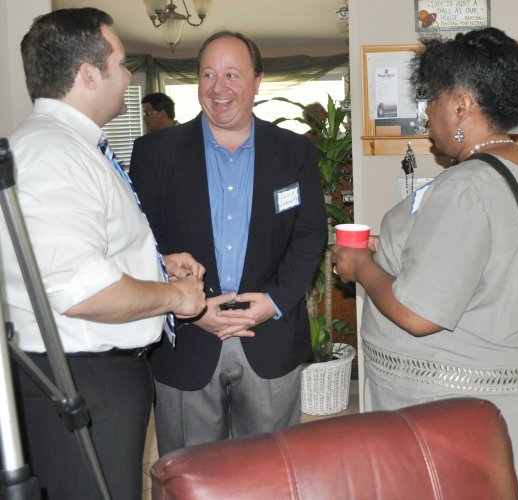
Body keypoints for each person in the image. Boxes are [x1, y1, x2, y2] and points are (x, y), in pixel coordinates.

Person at [331, 27, 518, 499]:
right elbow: (491, 259)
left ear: (460, 105)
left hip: (450, 409)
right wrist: (395, 248)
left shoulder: (466, 186)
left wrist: (361, 269)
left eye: (432, 98)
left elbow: (419, 315)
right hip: (506, 397)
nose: (426, 113)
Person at [1, 8, 207, 499]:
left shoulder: (72, 147)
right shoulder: (55, 155)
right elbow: (83, 291)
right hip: (81, 380)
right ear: (88, 75)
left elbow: (79, 255)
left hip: (89, 375)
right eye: (119, 62)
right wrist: (177, 296)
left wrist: (154, 266)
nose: (129, 75)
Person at [129, 32, 327, 455]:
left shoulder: (295, 152)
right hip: (187, 342)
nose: (219, 87)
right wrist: (189, 306)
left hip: (269, 336)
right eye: (208, 74)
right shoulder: (154, 151)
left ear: (257, 81)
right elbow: (139, 241)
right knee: (192, 474)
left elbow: (310, 234)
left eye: (232, 75)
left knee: (270, 471)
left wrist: (274, 302)